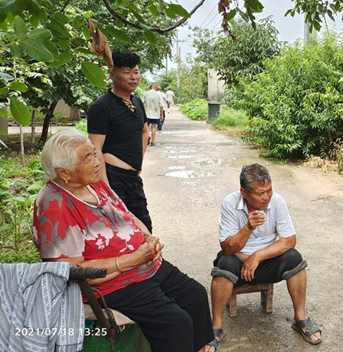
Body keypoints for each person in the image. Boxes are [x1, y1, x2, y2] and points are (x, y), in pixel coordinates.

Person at [33, 129, 215, 352]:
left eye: (94, 153)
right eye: (88, 158)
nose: (97, 161)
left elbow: (127, 215)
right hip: (113, 285)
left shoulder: (94, 183)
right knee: (176, 323)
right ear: (64, 173)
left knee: (196, 295)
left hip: (144, 266)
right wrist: (131, 260)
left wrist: (148, 238)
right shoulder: (54, 205)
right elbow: (70, 271)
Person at [209, 164, 322, 350]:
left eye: (269, 190)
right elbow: (227, 247)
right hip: (238, 263)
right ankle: (216, 326)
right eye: (260, 193)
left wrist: (257, 256)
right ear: (244, 193)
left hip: (267, 262)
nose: (266, 197)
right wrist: (248, 228)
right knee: (224, 265)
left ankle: (300, 318)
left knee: (294, 258)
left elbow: (289, 240)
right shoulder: (230, 203)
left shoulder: (276, 201)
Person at [87, 50, 153, 233]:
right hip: (113, 177)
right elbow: (95, 148)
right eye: (126, 72)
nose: (133, 77)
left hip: (133, 178)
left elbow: (144, 130)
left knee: (144, 227)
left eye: (136, 72)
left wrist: (139, 161)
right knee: (119, 230)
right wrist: (105, 186)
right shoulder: (101, 107)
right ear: (112, 75)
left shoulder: (137, 102)